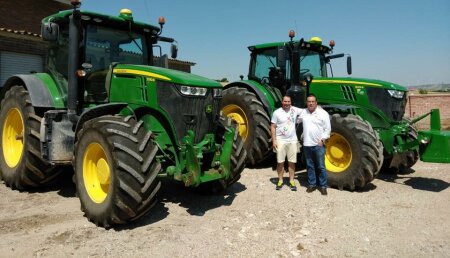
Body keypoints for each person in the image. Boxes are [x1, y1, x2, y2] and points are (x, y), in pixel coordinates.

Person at [300, 94, 331, 195]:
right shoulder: (303, 112)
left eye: (313, 101)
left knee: (321, 166)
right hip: (307, 144)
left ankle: (323, 186)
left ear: (316, 103)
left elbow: (328, 129)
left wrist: (323, 139)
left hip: (318, 145)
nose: (311, 103)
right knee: (309, 165)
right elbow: (293, 118)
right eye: (309, 101)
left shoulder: (323, 113)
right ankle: (312, 184)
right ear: (306, 103)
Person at [271, 95, 303, 191]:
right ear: (282, 102)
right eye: (285, 101)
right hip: (280, 140)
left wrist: (318, 109)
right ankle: (280, 180)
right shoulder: (277, 113)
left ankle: (291, 180)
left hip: (292, 140)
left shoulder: (294, 110)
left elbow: (305, 111)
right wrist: (274, 140)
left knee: (291, 162)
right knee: (280, 162)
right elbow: (273, 126)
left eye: (288, 102)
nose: (287, 103)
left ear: (291, 102)